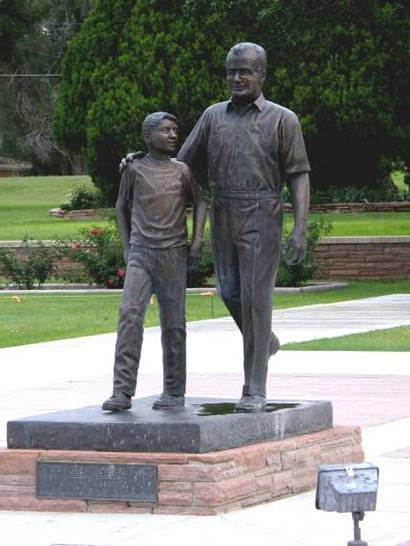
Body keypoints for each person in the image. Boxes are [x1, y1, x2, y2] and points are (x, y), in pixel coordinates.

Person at [177, 42, 311, 412]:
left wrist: (299, 227)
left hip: (262, 209)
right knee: (229, 290)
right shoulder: (213, 116)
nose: (236, 78)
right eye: (231, 71)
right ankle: (264, 340)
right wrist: (143, 164)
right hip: (223, 209)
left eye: (245, 71)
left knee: (256, 297)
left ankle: (254, 387)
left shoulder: (283, 119)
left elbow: (298, 175)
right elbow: (181, 164)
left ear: (262, 75)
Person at [102, 111, 207, 412]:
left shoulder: (183, 171)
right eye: (166, 130)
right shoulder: (133, 169)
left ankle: (174, 390)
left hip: (173, 253)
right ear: (148, 137)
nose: (173, 135)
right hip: (140, 252)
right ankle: (122, 391)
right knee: (129, 316)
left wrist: (197, 241)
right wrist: (126, 246)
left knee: (174, 323)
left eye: (176, 130)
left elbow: (200, 202)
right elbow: (121, 207)